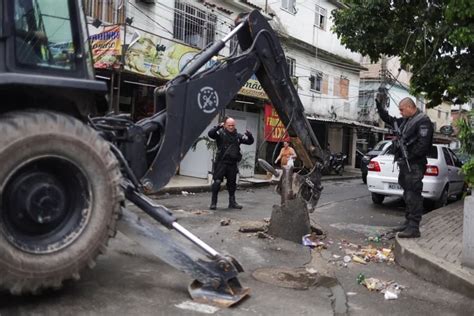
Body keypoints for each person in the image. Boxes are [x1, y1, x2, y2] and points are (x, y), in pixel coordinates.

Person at [376, 93, 434, 238]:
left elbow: (423, 145)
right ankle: (408, 223)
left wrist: (410, 156)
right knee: (407, 194)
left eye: (402, 109)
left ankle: (414, 227)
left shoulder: (423, 121)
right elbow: (390, 120)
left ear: (410, 107)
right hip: (406, 163)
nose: (400, 112)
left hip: (414, 164)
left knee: (413, 195)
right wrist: (379, 106)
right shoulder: (407, 120)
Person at [208, 117, 254, 210]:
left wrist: (250, 135)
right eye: (229, 125)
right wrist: (217, 127)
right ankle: (213, 203)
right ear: (225, 125)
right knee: (217, 182)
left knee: (232, 184)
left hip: (232, 164)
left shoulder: (238, 136)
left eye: (232, 125)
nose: (231, 127)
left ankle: (232, 203)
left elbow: (249, 142)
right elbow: (211, 134)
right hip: (221, 162)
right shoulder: (220, 133)